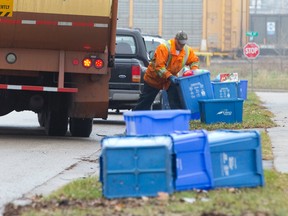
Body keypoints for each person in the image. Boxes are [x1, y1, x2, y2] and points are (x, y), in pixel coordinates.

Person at [133, 31, 200, 110]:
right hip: (154, 79)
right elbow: (159, 67)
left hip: (169, 81)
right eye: (180, 44)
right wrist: (170, 76)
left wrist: (193, 72)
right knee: (145, 102)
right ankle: (136, 118)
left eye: (183, 44)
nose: (181, 46)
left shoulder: (187, 51)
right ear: (175, 40)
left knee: (175, 101)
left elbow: (194, 61)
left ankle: (178, 118)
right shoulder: (164, 48)